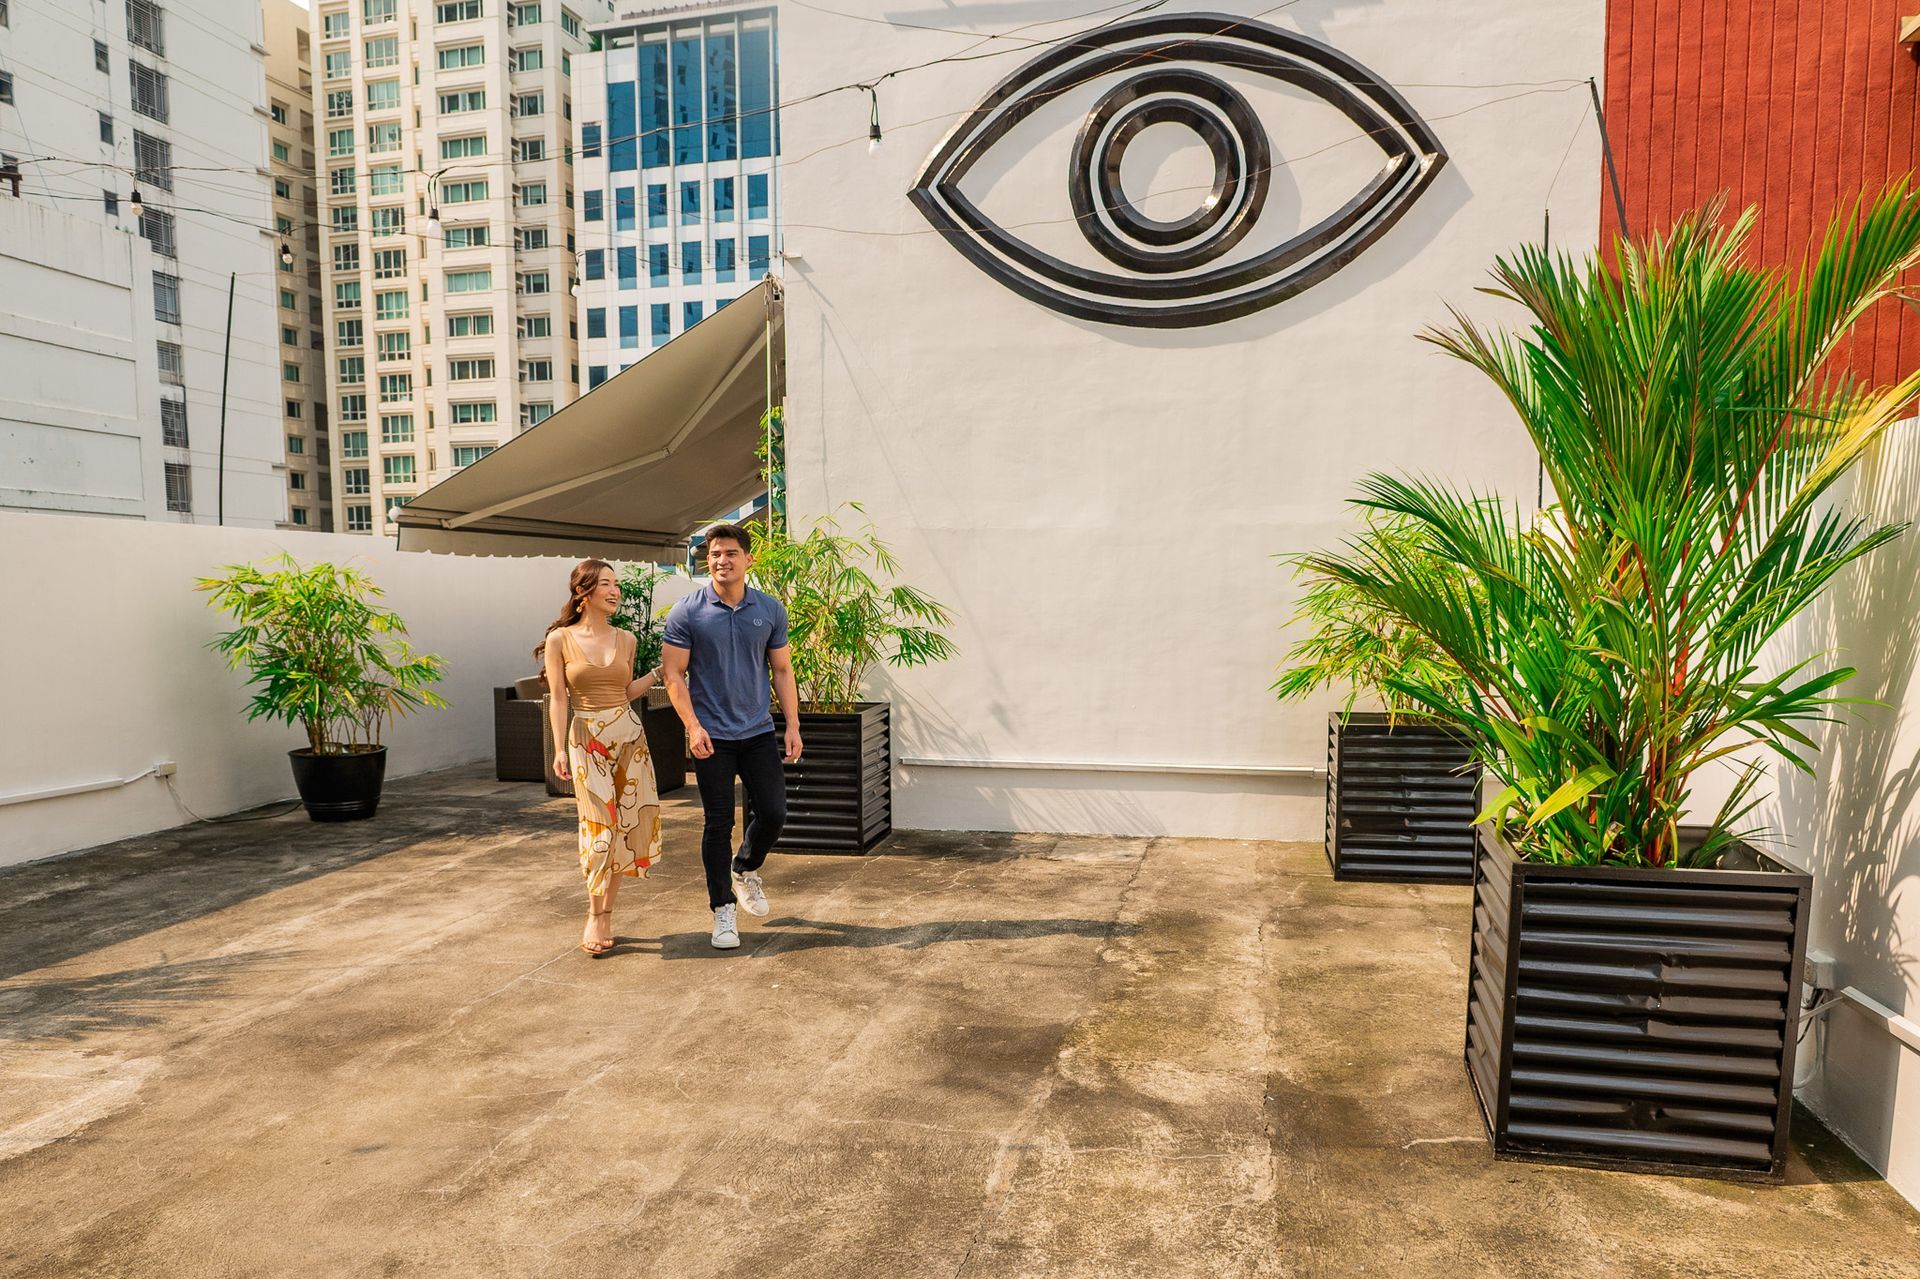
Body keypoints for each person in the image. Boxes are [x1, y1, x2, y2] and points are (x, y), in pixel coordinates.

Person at [660, 523, 802, 950]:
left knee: (774, 812)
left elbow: (782, 670)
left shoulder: (770, 609)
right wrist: (693, 726)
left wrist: (793, 724)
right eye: (715, 554)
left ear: (748, 559)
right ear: (708, 561)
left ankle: (745, 868)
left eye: (730, 553)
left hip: (758, 731)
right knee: (718, 823)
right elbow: (673, 675)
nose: (722, 561)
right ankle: (723, 909)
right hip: (711, 736)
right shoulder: (687, 611)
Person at [539, 559, 665, 957]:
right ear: (584, 591)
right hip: (585, 739)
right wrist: (559, 748)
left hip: (629, 738)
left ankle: (607, 913)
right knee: (599, 830)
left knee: (626, 827)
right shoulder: (560, 640)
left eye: (616, 584)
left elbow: (624, 692)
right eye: (606, 584)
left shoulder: (627, 639)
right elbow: (559, 698)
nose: (615, 591)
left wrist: (658, 674)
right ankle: (594, 915)